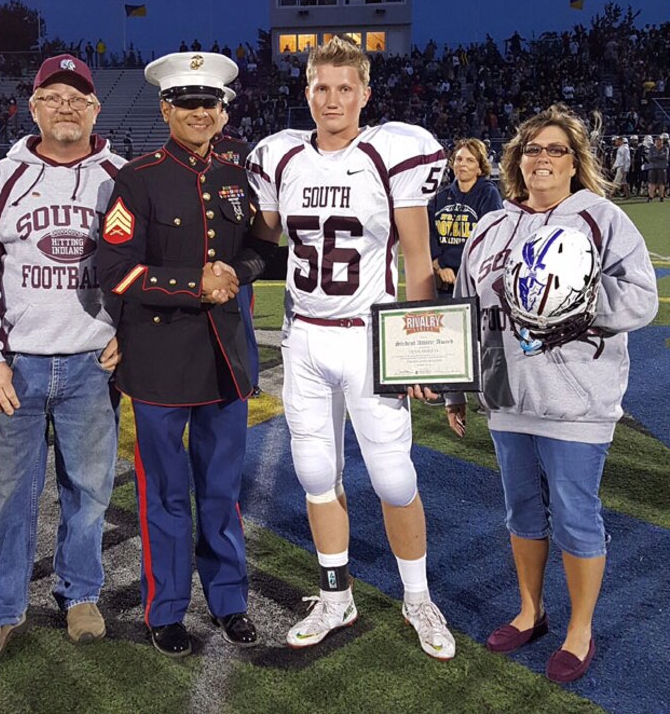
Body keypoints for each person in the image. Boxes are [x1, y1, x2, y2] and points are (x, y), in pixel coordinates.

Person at [244, 37, 456, 659]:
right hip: (305, 335)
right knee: (315, 473)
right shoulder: (281, 157)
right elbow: (261, 240)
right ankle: (337, 594)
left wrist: (424, 354)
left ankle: (417, 596)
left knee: (394, 478)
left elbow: (418, 260)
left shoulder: (389, 152)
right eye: (320, 87)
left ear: (365, 93)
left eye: (344, 88)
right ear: (305, 90)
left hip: (369, 336)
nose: (331, 99)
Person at [444, 105, 658, 683]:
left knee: (576, 516)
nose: (542, 158)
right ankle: (530, 611)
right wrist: (456, 391)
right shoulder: (489, 227)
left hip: (575, 401)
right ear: (516, 159)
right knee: (521, 512)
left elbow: (642, 300)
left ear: (575, 161)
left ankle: (579, 629)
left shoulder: (603, 218)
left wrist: (577, 301)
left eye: (555, 150)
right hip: (506, 398)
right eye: (532, 149)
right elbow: (468, 309)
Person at [0, 54, 126, 665]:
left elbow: (142, 266)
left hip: (91, 364)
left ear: (95, 108)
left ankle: (79, 594)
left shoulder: (119, 176)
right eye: (53, 96)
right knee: (6, 494)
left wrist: (127, 331)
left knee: (90, 490)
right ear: (33, 107)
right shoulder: (1, 179)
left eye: (77, 97)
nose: (66, 107)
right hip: (17, 366)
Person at [96, 52, 261, 658]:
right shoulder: (136, 179)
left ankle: (229, 600)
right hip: (161, 360)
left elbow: (260, 253)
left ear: (222, 112)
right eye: (187, 104)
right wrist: (196, 283)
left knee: (221, 491)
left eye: (209, 104)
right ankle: (165, 609)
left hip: (226, 361)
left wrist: (233, 273)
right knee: (164, 494)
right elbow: (112, 268)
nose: (199, 113)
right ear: (166, 109)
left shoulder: (238, 177)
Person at [211, 94, 261, 393]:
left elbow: (256, 198)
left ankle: (249, 378)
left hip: (235, 251)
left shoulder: (240, 150)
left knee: (243, 321)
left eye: (213, 108)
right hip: (198, 253)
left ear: (224, 115)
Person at [428, 138, 503, 295]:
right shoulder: (440, 198)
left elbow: (487, 238)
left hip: (475, 281)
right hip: (442, 280)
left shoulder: (488, 194)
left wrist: (445, 261)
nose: (462, 164)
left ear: (480, 168)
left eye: (470, 160)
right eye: (459, 159)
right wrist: (438, 264)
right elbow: (428, 232)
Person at [645, 133, 667, 201]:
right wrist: (658, 156)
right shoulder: (652, 149)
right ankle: (651, 196)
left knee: (661, 183)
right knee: (652, 182)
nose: (658, 142)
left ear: (662, 141)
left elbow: (664, 157)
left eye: (660, 140)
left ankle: (661, 196)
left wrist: (656, 157)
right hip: (652, 167)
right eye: (657, 140)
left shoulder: (665, 148)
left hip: (661, 167)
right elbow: (650, 158)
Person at [609, 135, 631, 199]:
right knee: (623, 181)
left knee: (616, 181)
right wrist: (614, 167)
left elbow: (627, 159)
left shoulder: (625, 148)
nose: (615, 142)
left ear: (621, 141)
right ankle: (627, 195)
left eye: (617, 141)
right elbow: (618, 159)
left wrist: (626, 168)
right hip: (620, 166)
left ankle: (611, 195)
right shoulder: (620, 148)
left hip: (622, 167)